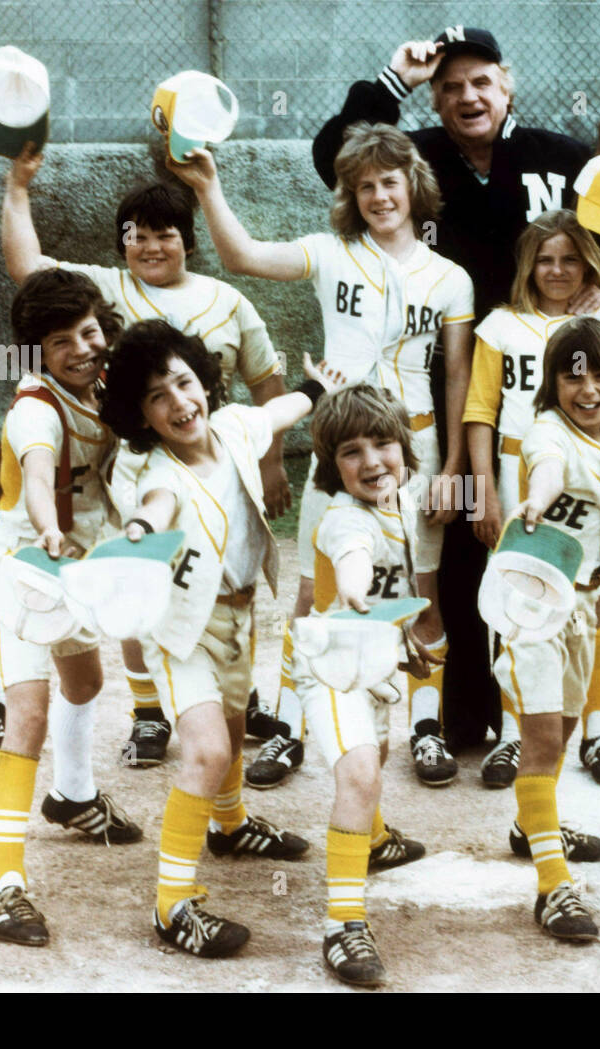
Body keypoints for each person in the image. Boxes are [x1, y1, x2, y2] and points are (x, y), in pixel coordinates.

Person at [312, 27, 600, 752]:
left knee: (563, 554)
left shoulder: (559, 156)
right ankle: (465, 716)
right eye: (451, 86)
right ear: (434, 96)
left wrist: (598, 290)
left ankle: (570, 722)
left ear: (508, 83)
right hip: (443, 392)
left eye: (481, 81)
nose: (468, 97)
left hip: (540, 390)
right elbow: (332, 155)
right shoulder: (416, 156)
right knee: (458, 537)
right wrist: (390, 82)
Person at [183, 122, 474, 788]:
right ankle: (288, 726)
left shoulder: (450, 277)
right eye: (363, 184)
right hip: (338, 443)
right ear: (350, 192)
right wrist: (208, 186)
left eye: (389, 181)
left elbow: (456, 376)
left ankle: (424, 728)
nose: (378, 195)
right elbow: (243, 257)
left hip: (416, 445)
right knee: (316, 593)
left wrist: (454, 466)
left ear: (413, 185)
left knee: (420, 593)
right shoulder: (330, 251)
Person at [1, 146, 291, 765]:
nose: (151, 247)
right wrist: (19, 186)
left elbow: (268, 386)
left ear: (189, 240)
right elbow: (28, 267)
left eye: (165, 235)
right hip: (134, 466)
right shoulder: (106, 292)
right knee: (145, 577)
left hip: (210, 466)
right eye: (136, 237)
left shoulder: (229, 302)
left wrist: (271, 466)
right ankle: (150, 711)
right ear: (121, 246)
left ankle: (223, 692)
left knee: (220, 574)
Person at [102, 320, 327, 957]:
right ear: (139, 414)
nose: (178, 402)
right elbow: (156, 504)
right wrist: (141, 529)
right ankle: (171, 906)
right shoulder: (148, 467)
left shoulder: (231, 428)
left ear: (204, 379)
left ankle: (228, 827)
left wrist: (317, 385)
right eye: (156, 396)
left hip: (239, 614)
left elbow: (280, 411)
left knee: (229, 737)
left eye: (183, 382)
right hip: (180, 628)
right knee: (204, 752)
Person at [465, 209, 600, 787]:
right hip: (518, 464)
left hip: (589, 465)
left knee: (588, 598)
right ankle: (511, 732)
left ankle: (596, 728)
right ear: (528, 264)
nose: (556, 270)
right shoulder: (501, 325)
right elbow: (479, 412)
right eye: (545, 259)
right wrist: (483, 494)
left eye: (570, 259)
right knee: (518, 596)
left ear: (587, 264)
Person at [0, 269, 144, 947]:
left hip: (71, 566)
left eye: (90, 330)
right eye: (61, 340)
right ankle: (1, 881)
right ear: (36, 353)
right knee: (29, 713)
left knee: (87, 682)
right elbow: (41, 476)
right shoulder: (35, 410)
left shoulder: (105, 391)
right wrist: (48, 526)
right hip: (25, 566)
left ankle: (73, 793)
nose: (82, 346)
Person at [504, 318, 600, 943]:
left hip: (586, 607)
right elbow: (549, 470)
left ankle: (530, 824)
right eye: (572, 375)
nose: (587, 389)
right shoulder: (545, 433)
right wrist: (536, 500)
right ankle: (552, 888)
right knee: (540, 743)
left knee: (558, 736)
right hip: (536, 608)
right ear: (551, 382)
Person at [295, 385, 437, 986]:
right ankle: (343, 925)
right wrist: (352, 588)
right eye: (352, 452)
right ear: (332, 468)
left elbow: (392, 593)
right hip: (331, 667)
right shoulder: (344, 518)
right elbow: (354, 559)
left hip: (371, 664)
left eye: (383, 443)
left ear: (405, 448)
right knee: (359, 773)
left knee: (373, 759)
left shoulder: (398, 509)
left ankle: (373, 841)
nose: (373, 460)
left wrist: (406, 642)